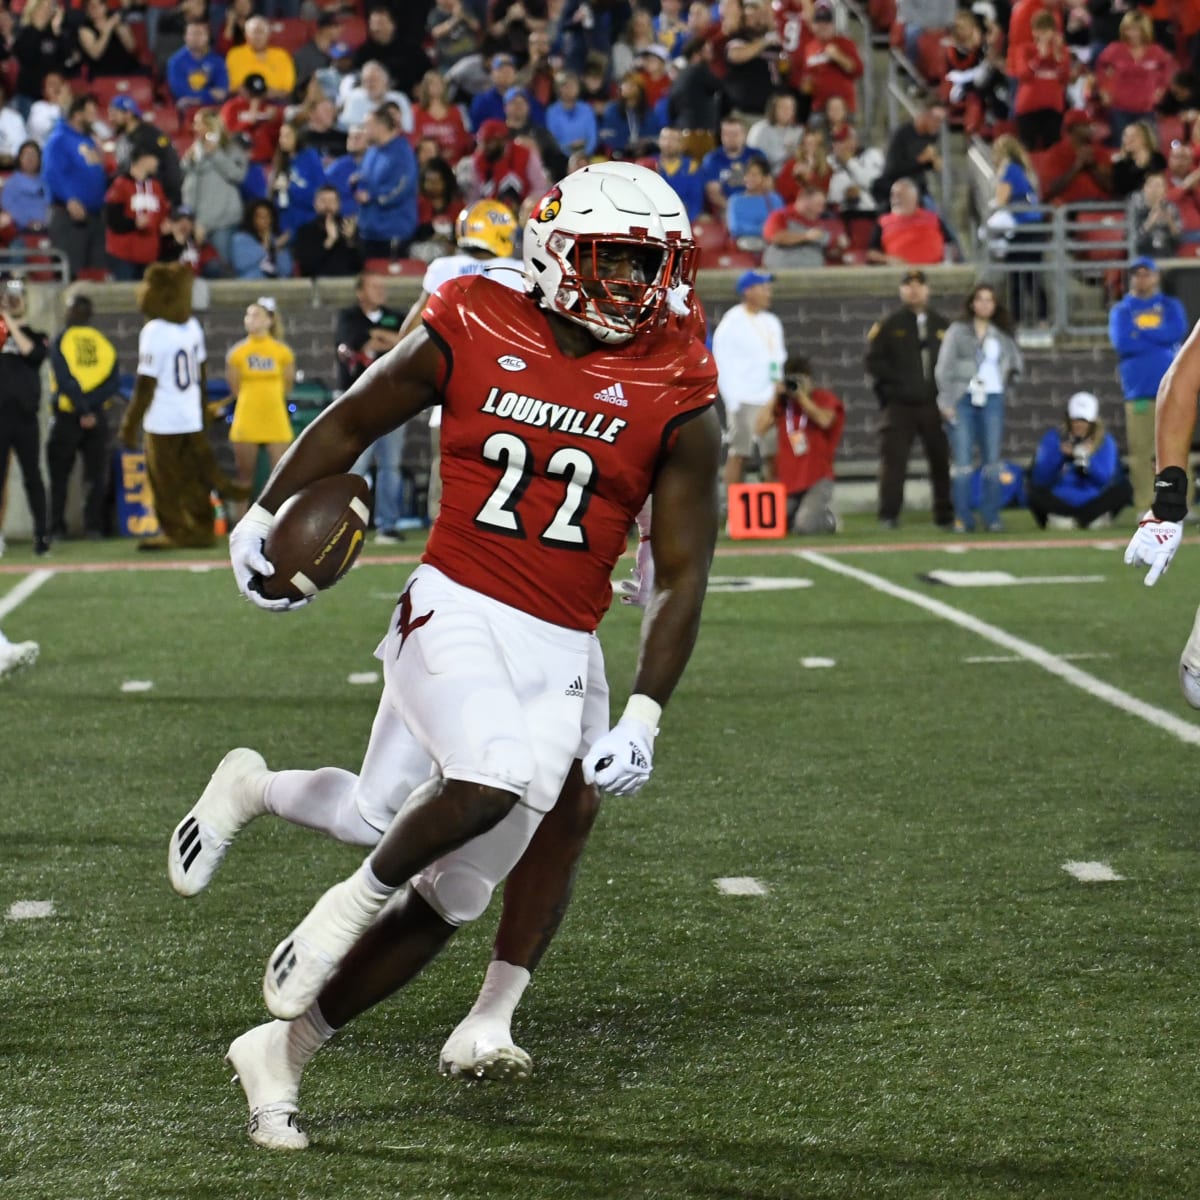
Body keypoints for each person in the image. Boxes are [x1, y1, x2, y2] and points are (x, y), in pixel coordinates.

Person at [205, 164, 721, 1150]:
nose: (637, 286)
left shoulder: (678, 371)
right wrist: (267, 510)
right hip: (455, 601)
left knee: (462, 890)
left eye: (652, 264)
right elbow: (356, 416)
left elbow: (688, 565)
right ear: (563, 251)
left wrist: (648, 707)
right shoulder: (475, 312)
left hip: (564, 636)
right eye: (618, 260)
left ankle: (285, 1050)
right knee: (491, 775)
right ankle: (338, 913)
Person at [397, 198, 523, 521]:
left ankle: (439, 550)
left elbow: (410, 330)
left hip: (452, 386)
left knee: (446, 471)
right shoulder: (519, 273)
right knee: (500, 472)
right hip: (503, 387)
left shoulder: (444, 268)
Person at [865, 269, 953, 530]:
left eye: (919, 285)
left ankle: (945, 514)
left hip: (935, 404)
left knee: (940, 461)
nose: (914, 290)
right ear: (901, 290)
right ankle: (889, 514)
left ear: (928, 289)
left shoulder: (942, 325)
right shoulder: (889, 325)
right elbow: (873, 361)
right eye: (909, 285)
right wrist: (896, 386)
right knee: (894, 463)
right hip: (900, 405)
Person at [935, 282, 1024, 533]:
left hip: (992, 399)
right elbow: (944, 367)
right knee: (963, 462)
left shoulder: (1002, 333)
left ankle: (991, 516)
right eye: (980, 299)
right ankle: (962, 517)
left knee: (992, 462)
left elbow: (1016, 364)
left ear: (995, 305)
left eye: (989, 300)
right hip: (963, 399)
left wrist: (1009, 383)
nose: (985, 304)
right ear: (972, 303)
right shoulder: (958, 331)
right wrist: (946, 400)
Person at [1108, 256, 1188, 513]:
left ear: (1155, 277)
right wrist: (1158, 337)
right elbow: (1123, 343)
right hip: (1138, 392)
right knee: (1141, 454)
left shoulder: (1170, 305)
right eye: (1136, 274)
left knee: (1175, 449)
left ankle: (1180, 503)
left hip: (1172, 390)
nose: (1141, 279)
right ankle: (1146, 505)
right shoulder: (1121, 310)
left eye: (1146, 274)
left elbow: (1176, 333)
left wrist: (1140, 331)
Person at [336, 274, 406, 542]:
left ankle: (388, 525)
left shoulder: (395, 315)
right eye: (374, 286)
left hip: (393, 399)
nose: (381, 290)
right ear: (360, 292)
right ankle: (345, 524)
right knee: (357, 464)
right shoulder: (348, 316)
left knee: (392, 465)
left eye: (382, 285)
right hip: (359, 398)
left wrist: (380, 338)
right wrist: (386, 340)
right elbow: (358, 343)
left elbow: (406, 340)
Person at [47, 292, 120, 540]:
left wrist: (82, 408)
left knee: (60, 476)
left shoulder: (61, 340)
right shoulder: (102, 342)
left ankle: (56, 527)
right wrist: (91, 408)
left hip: (69, 415)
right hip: (96, 415)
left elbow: (64, 379)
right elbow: (113, 382)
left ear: (70, 312)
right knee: (95, 475)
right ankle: (94, 527)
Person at [753, 353, 844, 533]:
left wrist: (802, 398)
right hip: (789, 478)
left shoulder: (823, 398)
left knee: (805, 526)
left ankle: (829, 519)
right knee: (774, 524)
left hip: (818, 476)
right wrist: (774, 397)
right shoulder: (783, 404)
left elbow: (825, 421)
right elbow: (760, 428)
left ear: (810, 379)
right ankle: (804, 514)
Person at [712, 268, 785, 489]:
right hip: (744, 400)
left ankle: (774, 509)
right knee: (739, 452)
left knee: (773, 454)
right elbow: (721, 364)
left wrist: (777, 391)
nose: (769, 293)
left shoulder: (771, 321)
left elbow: (778, 358)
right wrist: (732, 402)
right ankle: (733, 508)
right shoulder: (732, 323)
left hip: (770, 400)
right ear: (749, 291)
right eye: (764, 288)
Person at [224, 298, 295, 516]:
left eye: (256, 315)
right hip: (247, 416)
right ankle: (240, 525)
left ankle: (277, 523)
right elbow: (234, 386)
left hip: (275, 416)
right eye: (248, 315)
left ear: (269, 321)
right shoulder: (237, 353)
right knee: (244, 475)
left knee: (280, 475)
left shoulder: (282, 352)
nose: (250, 319)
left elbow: (287, 384)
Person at [1028, 390, 1131, 529]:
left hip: (1091, 500)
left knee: (1125, 489)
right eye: (1076, 419)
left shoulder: (1105, 441)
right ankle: (1083, 521)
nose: (1079, 424)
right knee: (1032, 491)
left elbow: (1104, 480)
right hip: (1060, 500)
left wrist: (1087, 461)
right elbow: (1041, 479)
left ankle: (1077, 521)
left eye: (1084, 420)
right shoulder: (1054, 438)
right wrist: (1061, 456)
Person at [0, 276, 49, 555]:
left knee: (33, 477)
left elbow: (33, 353)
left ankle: (41, 536)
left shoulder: (35, 334)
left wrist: (10, 319)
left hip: (26, 419)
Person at [43, 93, 107, 279]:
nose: (94, 118)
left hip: (94, 216)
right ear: (77, 115)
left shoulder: (87, 140)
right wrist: (69, 199)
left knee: (95, 275)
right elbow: (52, 174)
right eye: (90, 113)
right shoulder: (59, 139)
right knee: (71, 273)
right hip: (69, 216)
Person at [355, 105, 419, 260]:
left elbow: (402, 187)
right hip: (369, 231)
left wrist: (374, 196)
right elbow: (367, 179)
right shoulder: (372, 151)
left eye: (367, 126)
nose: (364, 130)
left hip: (393, 232)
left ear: (381, 126)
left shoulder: (402, 152)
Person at [103, 150, 168, 282]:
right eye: (154, 157)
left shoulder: (156, 186)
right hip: (124, 254)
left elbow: (162, 215)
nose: (158, 162)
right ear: (142, 159)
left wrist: (166, 224)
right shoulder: (120, 184)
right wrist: (134, 223)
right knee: (126, 298)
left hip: (149, 254)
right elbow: (112, 220)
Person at [866, 177, 951, 266]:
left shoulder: (933, 218)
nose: (895, 199)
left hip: (934, 271)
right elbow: (871, 253)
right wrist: (887, 259)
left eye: (900, 195)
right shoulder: (883, 222)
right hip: (900, 274)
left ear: (913, 197)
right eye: (893, 195)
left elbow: (950, 245)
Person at [294, 186, 361, 278]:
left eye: (332, 201)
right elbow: (307, 267)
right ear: (315, 204)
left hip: (345, 284)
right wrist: (329, 241)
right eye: (323, 201)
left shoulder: (349, 227)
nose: (327, 206)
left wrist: (350, 241)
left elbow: (359, 265)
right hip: (316, 286)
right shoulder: (304, 231)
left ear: (339, 205)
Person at [167, 18, 230, 111]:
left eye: (200, 33)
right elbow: (180, 92)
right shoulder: (175, 62)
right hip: (186, 110)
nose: (196, 37)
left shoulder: (218, 61)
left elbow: (222, 91)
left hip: (213, 109)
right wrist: (210, 94)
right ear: (185, 37)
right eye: (193, 34)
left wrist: (195, 100)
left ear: (207, 37)